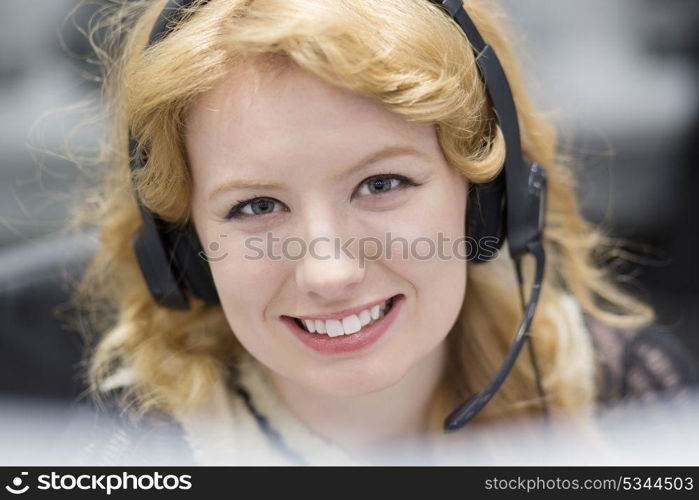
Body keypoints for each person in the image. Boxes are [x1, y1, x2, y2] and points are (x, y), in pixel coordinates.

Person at [68, 0, 697, 465]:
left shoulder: (623, 398)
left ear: (486, 200)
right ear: (184, 247)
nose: (330, 272)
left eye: (381, 184)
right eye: (256, 206)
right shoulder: (136, 447)